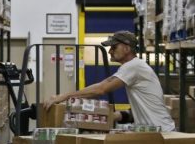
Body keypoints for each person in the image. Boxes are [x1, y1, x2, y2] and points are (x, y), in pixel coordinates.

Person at [43, 30, 176, 132]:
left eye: (114, 47)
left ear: (127, 48)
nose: (110, 51)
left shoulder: (134, 66)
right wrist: (114, 116)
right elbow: (103, 85)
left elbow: (101, 89)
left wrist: (64, 97)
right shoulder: (133, 67)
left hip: (162, 133)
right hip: (154, 131)